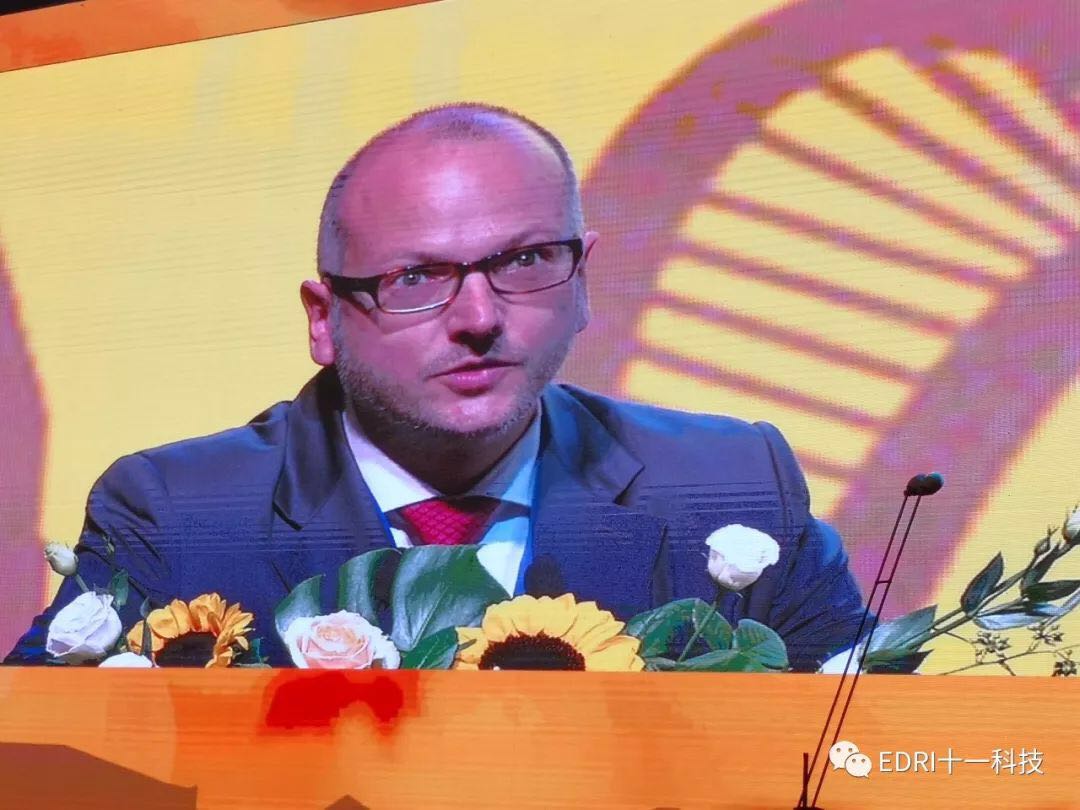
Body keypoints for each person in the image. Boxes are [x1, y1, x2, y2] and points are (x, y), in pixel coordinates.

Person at [5, 103, 867, 670]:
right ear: (323, 320)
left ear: (582, 282)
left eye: (525, 260)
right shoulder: (177, 517)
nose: (480, 317)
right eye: (416, 277)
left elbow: (874, 753)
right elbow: (43, 765)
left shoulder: (732, 488)